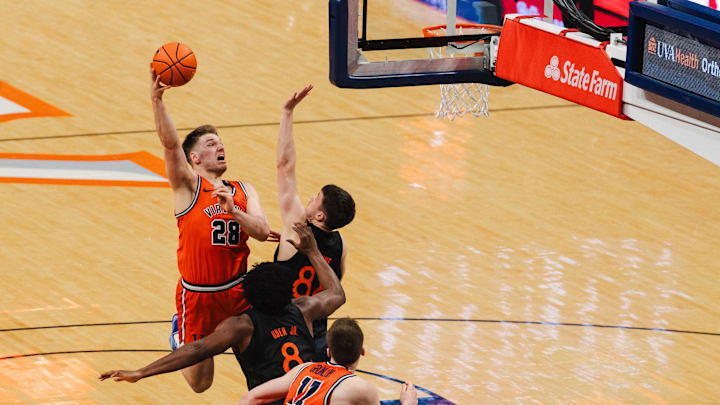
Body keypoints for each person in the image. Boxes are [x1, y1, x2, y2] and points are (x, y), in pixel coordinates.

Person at [100, 222, 346, 405]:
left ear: (248, 295)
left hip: (268, 399)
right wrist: (312, 251)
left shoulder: (242, 326)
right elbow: (336, 293)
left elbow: (198, 349)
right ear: (287, 290)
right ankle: (182, 332)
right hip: (310, 397)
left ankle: (181, 334)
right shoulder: (304, 308)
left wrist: (142, 372)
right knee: (200, 382)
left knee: (201, 382)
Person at [149, 65, 271, 392]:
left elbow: (261, 230)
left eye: (220, 142)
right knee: (201, 384)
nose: (220, 146)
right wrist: (158, 101)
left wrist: (236, 212)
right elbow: (171, 146)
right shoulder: (188, 189)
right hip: (198, 296)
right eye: (211, 143)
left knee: (264, 364)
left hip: (239, 291)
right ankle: (179, 335)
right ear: (195, 157)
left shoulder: (244, 189)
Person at [274, 84, 356, 362]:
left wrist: (287, 112)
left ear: (319, 216)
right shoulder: (341, 244)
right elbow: (334, 290)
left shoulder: (297, 227)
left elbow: (285, 167)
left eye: (315, 199)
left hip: (280, 330)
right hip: (317, 335)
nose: (308, 198)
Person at [237, 318, 418, 405]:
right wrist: (409, 403)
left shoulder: (303, 369)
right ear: (362, 352)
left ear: (328, 351)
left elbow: (250, 398)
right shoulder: (359, 388)